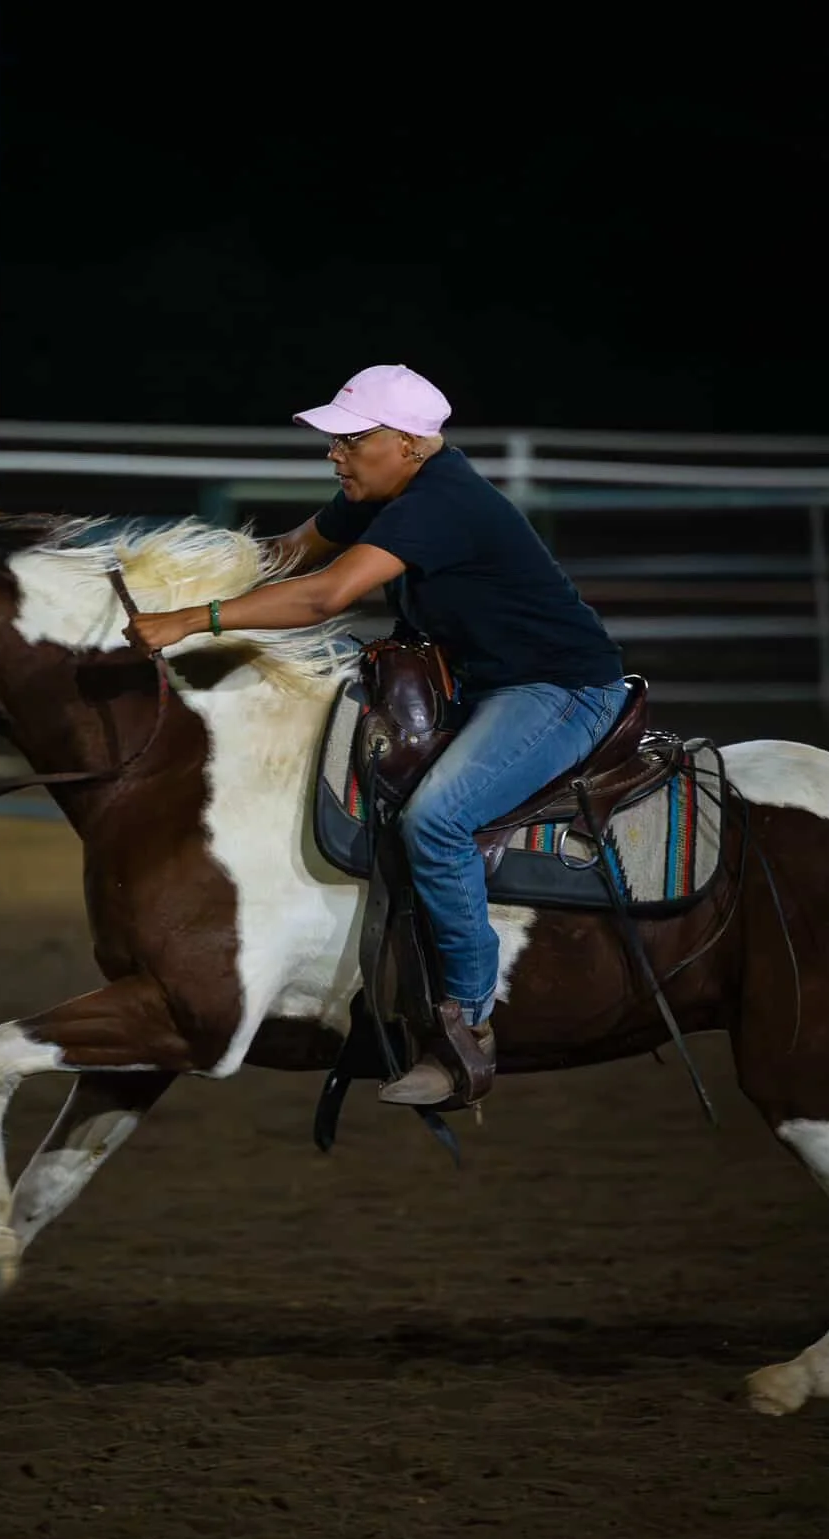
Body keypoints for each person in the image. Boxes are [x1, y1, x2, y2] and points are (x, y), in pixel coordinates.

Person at [124, 364, 629, 1106]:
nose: (333, 453)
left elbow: (326, 595)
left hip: (559, 691)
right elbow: (291, 556)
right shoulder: (390, 493)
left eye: (349, 439)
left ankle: (467, 1030)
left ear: (409, 442)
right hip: (484, 688)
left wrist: (190, 623)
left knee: (438, 820)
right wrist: (170, 584)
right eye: (333, 440)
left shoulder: (441, 502)